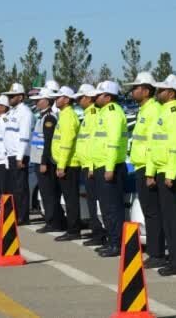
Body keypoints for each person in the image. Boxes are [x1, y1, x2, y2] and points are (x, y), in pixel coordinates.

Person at [148, 74, 176, 276]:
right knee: (168, 218)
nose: (158, 92)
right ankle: (174, 259)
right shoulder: (165, 111)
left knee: (174, 219)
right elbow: (156, 144)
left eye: (161, 89)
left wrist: (171, 173)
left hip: (171, 172)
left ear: (171, 93)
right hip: (163, 170)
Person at [123, 72, 164, 266]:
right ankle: (156, 252)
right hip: (140, 166)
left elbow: (153, 144)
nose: (132, 91)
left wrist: (150, 171)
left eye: (136, 88)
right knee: (149, 211)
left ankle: (157, 253)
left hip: (148, 168)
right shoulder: (145, 109)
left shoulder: (154, 110)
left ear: (146, 90)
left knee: (153, 212)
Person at [93, 80, 129, 258]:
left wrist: (109, 167)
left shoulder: (113, 113)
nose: (95, 97)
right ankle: (111, 240)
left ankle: (117, 243)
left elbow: (113, 142)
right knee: (106, 208)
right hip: (101, 165)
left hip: (110, 166)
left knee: (113, 208)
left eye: (98, 94)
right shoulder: (104, 112)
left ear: (108, 97)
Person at [30, 87, 66, 233]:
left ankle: (53, 222)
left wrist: (44, 162)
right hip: (39, 160)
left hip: (44, 161)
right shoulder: (42, 117)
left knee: (49, 193)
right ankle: (52, 220)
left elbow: (48, 142)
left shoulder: (49, 118)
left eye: (39, 100)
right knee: (46, 193)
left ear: (47, 101)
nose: (37, 102)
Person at [73, 84, 105, 245]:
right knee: (92, 201)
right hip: (86, 165)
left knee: (95, 201)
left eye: (80, 98)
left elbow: (94, 143)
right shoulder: (88, 115)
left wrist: (91, 166)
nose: (78, 101)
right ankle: (96, 232)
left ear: (88, 98)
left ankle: (98, 234)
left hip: (91, 166)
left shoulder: (93, 115)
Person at [1, 83, 33, 225]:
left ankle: (23, 216)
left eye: (12, 96)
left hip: (19, 155)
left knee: (21, 188)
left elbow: (24, 136)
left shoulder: (25, 112)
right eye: (8, 96)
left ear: (20, 97)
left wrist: (20, 156)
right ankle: (15, 213)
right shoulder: (12, 112)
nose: (9, 98)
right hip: (11, 155)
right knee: (13, 187)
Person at [53, 86, 82, 241]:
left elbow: (67, 143)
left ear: (67, 99)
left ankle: (73, 230)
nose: (56, 99)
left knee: (71, 199)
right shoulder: (64, 115)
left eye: (59, 97)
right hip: (66, 162)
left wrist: (61, 165)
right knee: (68, 197)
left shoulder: (69, 116)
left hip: (69, 164)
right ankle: (72, 228)